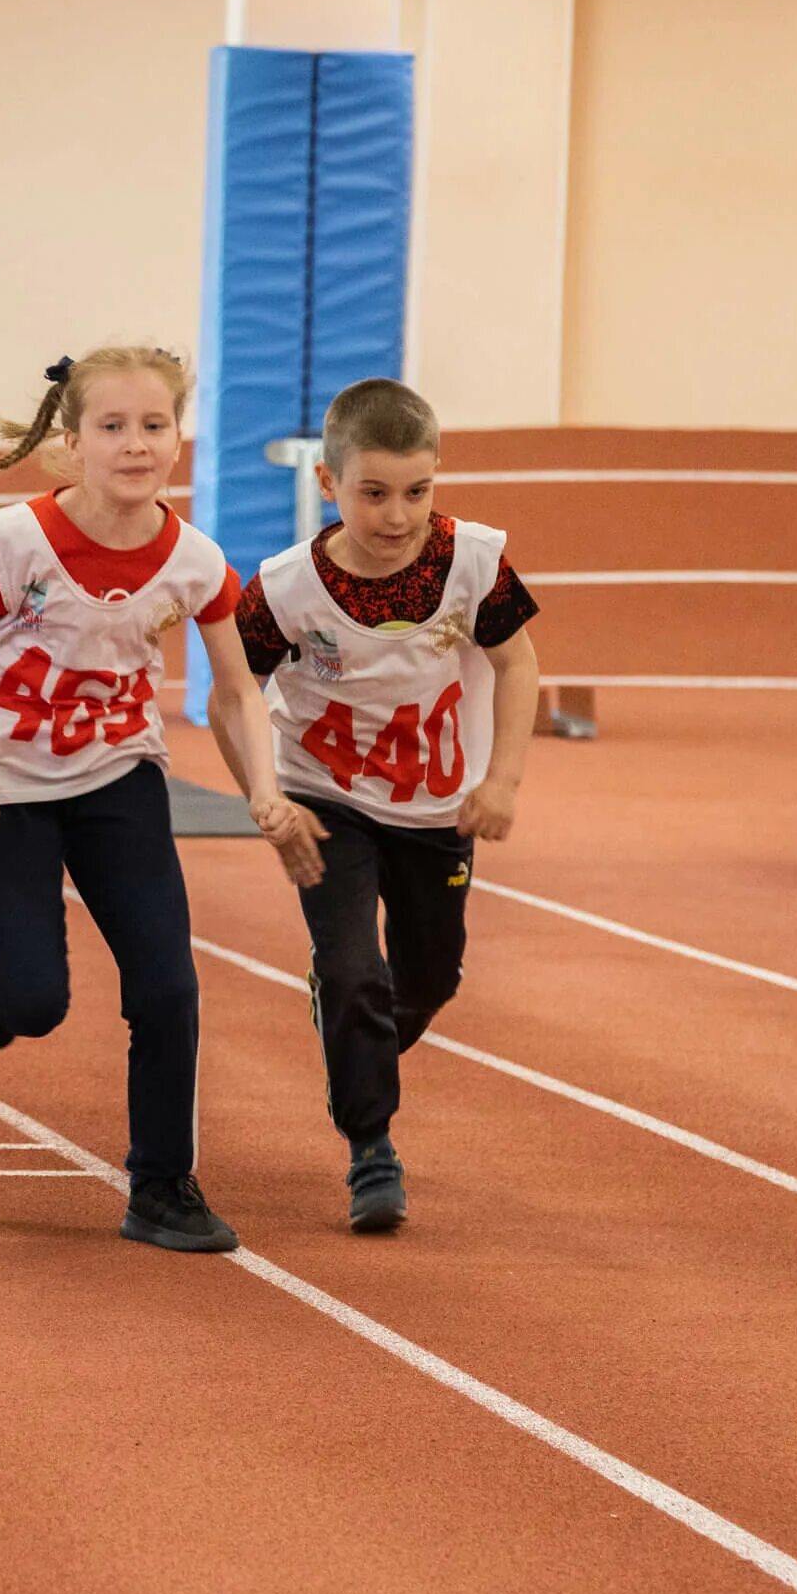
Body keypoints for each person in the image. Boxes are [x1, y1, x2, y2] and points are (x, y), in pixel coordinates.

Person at [0, 347, 316, 1254]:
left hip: (121, 774)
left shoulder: (195, 560)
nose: (135, 445)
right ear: (71, 441)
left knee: (167, 984)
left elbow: (237, 691)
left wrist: (266, 794)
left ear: (178, 438)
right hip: (7, 785)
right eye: (113, 428)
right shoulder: (13, 540)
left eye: (154, 426)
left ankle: (162, 1184)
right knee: (33, 1008)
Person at [235, 378, 541, 1234]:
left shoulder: (472, 563)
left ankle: (349, 1029)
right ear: (329, 484)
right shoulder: (286, 590)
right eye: (373, 493)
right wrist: (266, 794)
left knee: (429, 977)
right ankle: (372, 1150)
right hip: (324, 796)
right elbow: (233, 688)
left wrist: (502, 779)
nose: (397, 516)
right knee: (353, 968)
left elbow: (518, 666)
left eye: (417, 491)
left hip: (435, 809)